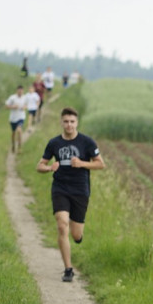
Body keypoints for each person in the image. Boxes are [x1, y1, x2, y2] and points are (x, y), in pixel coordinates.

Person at [36, 107, 106, 282]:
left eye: (72, 122)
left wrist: (82, 163)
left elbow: (100, 164)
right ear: (61, 122)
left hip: (80, 190)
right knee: (62, 225)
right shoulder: (54, 143)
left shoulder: (87, 142)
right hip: (60, 188)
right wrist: (49, 168)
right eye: (66, 121)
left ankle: (78, 236)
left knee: (75, 234)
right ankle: (68, 269)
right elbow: (40, 165)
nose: (69, 125)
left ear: (77, 123)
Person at [5, 85, 27, 153]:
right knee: (14, 133)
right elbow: (6, 106)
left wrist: (24, 107)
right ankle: (13, 145)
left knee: (19, 130)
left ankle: (20, 147)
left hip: (21, 117)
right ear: (17, 90)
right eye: (19, 91)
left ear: (23, 91)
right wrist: (13, 106)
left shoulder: (25, 97)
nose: (20, 92)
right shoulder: (12, 98)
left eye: (21, 91)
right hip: (13, 118)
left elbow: (26, 105)